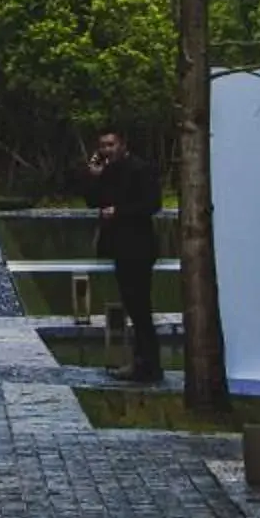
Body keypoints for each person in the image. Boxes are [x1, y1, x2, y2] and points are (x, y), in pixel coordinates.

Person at [86, 123, 162, 384]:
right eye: (103, 145)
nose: (106, 150)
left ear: (123, 145)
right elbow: (93, 200)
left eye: (111, 145)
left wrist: (119, 212)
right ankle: (143, 362)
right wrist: (95, 177)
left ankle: (148, 365)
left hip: (138, 246)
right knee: (133, 306)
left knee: (140, 307)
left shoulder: (141, 169)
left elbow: (152, 204)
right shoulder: (109, 172)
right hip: (119, 247)